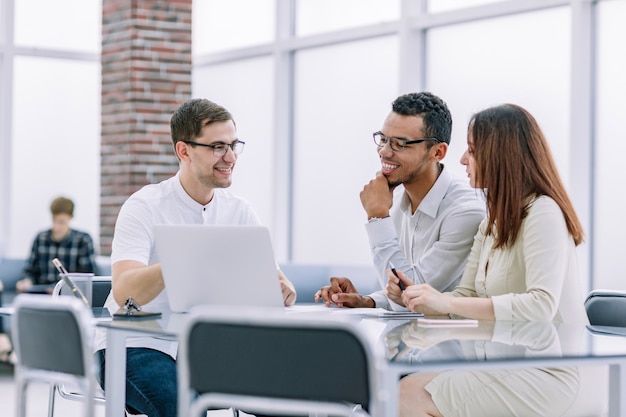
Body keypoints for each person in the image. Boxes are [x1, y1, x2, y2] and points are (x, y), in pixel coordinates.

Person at [93, 98, 297, 417]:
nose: (230, 157)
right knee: (183, 409)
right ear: (184, 151)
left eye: (233, 145)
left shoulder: (239, 211)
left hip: (213, 349)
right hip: (135, 346)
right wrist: (184, 258)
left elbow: (275, 282)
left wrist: (281, 289)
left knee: (295, 403)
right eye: (217, 146)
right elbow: (124, 291)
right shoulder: (144, 206)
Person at [395, 103, 594, 417]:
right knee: (404, 385)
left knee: (407, 396)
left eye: (472, 151)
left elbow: (541, 305)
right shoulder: (494, 220)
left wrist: (446, 305)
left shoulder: (543, 212)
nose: (462, 160)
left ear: (501, 155)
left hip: (549, 374)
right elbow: (468, 295)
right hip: (506, 364)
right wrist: (428, 301)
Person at [315, 92, 485, 309]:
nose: (384, 151)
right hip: (418, 337)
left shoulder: (466, 212)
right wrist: (366, 301)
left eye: (400, 144)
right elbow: (399, 292)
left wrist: (377, 217)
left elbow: (412, 292)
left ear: (437, 152)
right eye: (384, 139)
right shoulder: (398, 205)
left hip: (456, 340)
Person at [16, 196, 97, 294]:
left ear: (71, 217)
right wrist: (27, 281)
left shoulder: (83, 240)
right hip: (41, 295)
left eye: (62, 222)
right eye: (54, 220)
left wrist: (63, 289)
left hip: (68, 295)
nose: (56, 227)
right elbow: (29, 270)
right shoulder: (40, 238)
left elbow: (86, 278)